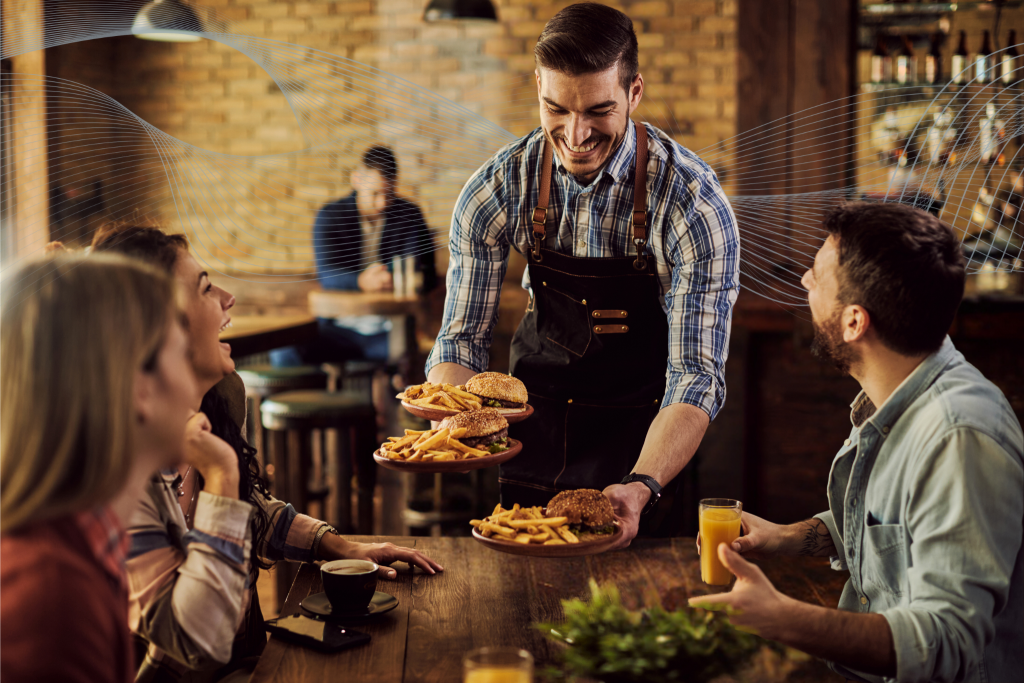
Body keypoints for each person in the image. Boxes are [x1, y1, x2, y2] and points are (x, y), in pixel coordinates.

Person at [425, 3, 739, 545]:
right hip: (534, 439)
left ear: (634, 92)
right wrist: (454, 425)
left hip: (643, 450)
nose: (575, 134)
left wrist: (641, 484)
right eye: (557, 109)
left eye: (599, 110)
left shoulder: (691, 202)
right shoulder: (498, 188)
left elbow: (697, 375)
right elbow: (460, 342)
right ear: (539, 90)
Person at [91, 225, 443, 683]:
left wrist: (339, 547)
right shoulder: (115, 474)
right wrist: (221, 476)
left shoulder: (219, 402)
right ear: (156, 325)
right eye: (204, 287)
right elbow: (193, 648)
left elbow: (253, 512)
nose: (228, 297)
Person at [690, 202, 1023, 683]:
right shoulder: (898, 394)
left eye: (817, 275)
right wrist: (780, 537)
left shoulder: (960, 439)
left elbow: (946, 640)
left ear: (853, 322)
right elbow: (892, 527)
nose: (805, 282)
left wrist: (783, 616)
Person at [1, 254, 196, 683]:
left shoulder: (81, 546)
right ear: (139, 387)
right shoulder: (49, 598)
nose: (193, 379)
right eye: (183, 354)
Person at [273, 145, 437, 366]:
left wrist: (401, 279)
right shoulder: (330, 215)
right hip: (336, 329)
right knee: (283, 352)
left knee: (420, 357)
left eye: (388, 194)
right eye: (375, 193)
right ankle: (312, 399)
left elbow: (427, 273)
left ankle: (387, 394)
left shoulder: (409, 215)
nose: (382, 203)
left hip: (391, 330)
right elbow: (327, 275)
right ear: (357, 180)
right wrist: (362, 281)